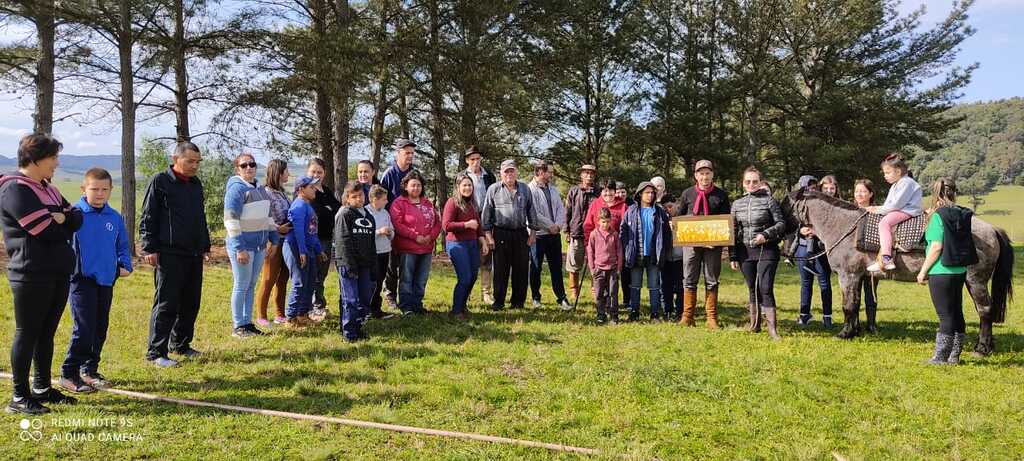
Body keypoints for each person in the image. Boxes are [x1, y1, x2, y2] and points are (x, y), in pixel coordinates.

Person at [1, 133, 83, 414]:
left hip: (57, 271)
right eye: (53, 158)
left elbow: (77, 216)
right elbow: (45, 231)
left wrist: (63, 218)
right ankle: (19, 397)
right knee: (28, 333)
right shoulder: (15, 189)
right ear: (35, 159)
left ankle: (41, 387)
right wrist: (61, 219)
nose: (57, 163)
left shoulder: (46, 187)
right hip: (31, 274)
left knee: (46, 333)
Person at [58, 168, 132, 394]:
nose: (99, 194)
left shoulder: (114, 217)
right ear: (83, 189)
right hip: (81, 280)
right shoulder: (75, 215)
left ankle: (89, 370)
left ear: (110, 190)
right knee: (84, 326)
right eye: (94, 189)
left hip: (106, 279)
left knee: (100, 327)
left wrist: (124, 265)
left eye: (104, 189)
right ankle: (68, 373)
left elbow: (122, 245)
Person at [140, 141, 211, 368]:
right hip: (168, 253)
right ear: (175, 159)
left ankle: (180, 344)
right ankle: (156, 352)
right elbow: (148, 217)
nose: (194, 166)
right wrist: (149, 247)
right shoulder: (160, 181)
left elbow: (200, 218)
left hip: (193, 253)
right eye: (190, 161)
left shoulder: (195, 184)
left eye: (197, 162)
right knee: (167, 303)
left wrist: (204, 245)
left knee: (191, 302)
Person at [917, 179, 976, 365]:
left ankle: (940, 357)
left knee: (945, 315)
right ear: (954, 192)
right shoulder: (960, 213)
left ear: (935, 193)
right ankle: (954, 356)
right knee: (957, 312)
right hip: (959, 270)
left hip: (941, 270)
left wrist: (923, 271)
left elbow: (936, 247)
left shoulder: (937, 216)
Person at [224, 153, 281, 338]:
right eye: (244, 165)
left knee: (251, 285)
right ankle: (238, 325)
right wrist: (239, 248)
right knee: (241, 285)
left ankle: (248, 324)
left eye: (252, 164)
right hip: (243, 246)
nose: (248, 167)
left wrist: (274, 238)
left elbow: (267, 216)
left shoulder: (260, 188)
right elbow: (231, 220)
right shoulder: (236, 189)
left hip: (259, 246)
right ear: (237, 169)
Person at [729, 167, 785, 339]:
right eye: (748, 181)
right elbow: (732, 231)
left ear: (760, 182)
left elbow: (781, 224)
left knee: (765, 288)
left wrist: (765, 235)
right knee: (752, 287)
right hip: (744, 251)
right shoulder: (736, 204)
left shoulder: (770, 201)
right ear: (743, 184)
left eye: (755, 181)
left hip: (766, 250)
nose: (751, 184)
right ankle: (754, 325)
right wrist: (732, 255)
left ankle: (772, 329)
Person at [674, 159, 731, 329]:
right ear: (696, 176)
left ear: (712, 174)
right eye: (701, 173)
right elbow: (679, 215)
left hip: (713, 246)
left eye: (707, 173)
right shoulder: (687, 194)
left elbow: (726, 222)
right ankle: (687, 316)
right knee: (689, 278)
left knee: (711, 280)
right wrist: (674, 223)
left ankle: (711, 317)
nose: (704, 177)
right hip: (691, 245)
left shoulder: (721, 195)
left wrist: (715, 238)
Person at [481, 159, 541, 310]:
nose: (509, 174)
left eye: (512, 170)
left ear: (516, 172)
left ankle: (518, 302)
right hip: (500, 233)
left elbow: (531, 211)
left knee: (521, 269)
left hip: (521, 233)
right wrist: (488, 236)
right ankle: (499, 302)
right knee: (500, 270)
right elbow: (486, 214)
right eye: (506, 171)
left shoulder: (525, 189)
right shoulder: (493, 189)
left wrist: (533, 233)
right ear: (501, 173)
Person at [390, 170, 441, 315]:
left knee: (421, 279)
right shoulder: (399, 203)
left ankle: (417, 304)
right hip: (408, 248)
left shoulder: (427, 203)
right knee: (406, 278)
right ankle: (406, 306)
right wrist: (415, 236)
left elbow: (438, 222)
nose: (416, 188)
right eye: (413, 185)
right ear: (405, 186)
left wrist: (431, 237)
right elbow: (397, 224)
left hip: (426, 247)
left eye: (418, 185)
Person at [620, 181, 672, 321]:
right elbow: (623, 231)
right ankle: (634, 312)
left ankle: (654, 313)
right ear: (640, 194)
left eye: (652, 193)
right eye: (647, 192)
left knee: (654, 285)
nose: (650, 195)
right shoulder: (631, 210)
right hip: (636, 254)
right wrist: (627, 248)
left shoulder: (659, 211)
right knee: (635, 284)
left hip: (654, 254)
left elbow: (667, 233)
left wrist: (665, 250)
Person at [333, 181, 377, 342]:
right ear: (347, 198)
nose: (359, 199)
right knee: (350, 299)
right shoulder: (345, 214)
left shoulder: (368, 216)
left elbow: (372, 242)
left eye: (361, 195)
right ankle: (348, 332)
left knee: (364, 298)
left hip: (365, 264)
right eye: (354, 196)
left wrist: (373, 264)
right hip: (348, 264)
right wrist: (348, 264)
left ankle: (358, 328)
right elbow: (342, 240)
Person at [443, 173, 490, 320]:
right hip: (457, 245)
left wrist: (483, 241)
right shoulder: (452, 202)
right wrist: (466, 225)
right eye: (464, 185)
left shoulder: (472, 203)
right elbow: (446, 225)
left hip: (472, 244)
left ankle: (462, 306)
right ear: (458, 187)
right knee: (464, 278)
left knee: (473, 277)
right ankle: (456, 311)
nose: (467, 187)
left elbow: (478, 225)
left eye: (470, 185)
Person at [866, 153, 923, 272]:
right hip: (901, 209)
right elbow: (888, 204)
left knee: (884, 224)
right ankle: (880, 259)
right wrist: (878, 209)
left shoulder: (906, 183)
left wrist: (878, 209)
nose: (885, 176)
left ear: (897, 172)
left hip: (907, 210)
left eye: (887, 173)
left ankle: (886, 258)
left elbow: (896, 205)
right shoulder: (896, 185)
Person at [284, 176, 327, 327]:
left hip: (307, 249)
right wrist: (302, 251)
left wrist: (319, 250)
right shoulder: (298, 206)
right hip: (295, 247)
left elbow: (311, 232)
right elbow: (298, 232)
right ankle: (290, 318)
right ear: (301, 190)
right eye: (311, 187)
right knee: (299, 282)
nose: (314, 190)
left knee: (309, 281)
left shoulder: (308, 206)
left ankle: (302, 314)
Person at [380, 139, 417, 309]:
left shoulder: (414, 173)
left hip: (410, 226)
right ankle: (390, 295)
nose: (409, 156)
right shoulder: (389, 174)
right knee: (391, 263)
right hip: (392, 225)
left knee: (407, 264)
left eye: (411, 153)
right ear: (398, 153)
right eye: (406, 153)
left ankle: (407, 296)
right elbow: (382, 200)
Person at [255, 159, 293, 327]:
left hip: (286, 240)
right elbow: (262, 218)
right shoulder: (265, 193)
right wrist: (278, 228)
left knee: (283, 278)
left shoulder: (282, 192)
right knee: (269, 278)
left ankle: (280, 313)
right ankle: (261, 315)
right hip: (273, 241)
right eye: (286, 171)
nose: (288, 174)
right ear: (278, 172)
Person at [528, 162, 570, 310]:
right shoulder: (530, 189)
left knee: (556, 268)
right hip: (538, 235)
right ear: (540, 172)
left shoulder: (553, 189)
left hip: (554, 235)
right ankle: (535, 298)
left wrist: (558, 225)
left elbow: (560, 209)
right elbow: (533, 213)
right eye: (549, 172)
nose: (552, 175)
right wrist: (549, 225)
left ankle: (562, 298)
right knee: (536, 267)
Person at [792, 174, 833, 328]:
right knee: (805, 283)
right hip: (803, 247)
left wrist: (817, 232)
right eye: (808, 188)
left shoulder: (823, 204)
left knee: (824, 283)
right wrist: (801, 229)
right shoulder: (796, 204)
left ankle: (827, 316)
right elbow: (791, 224)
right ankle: (804, 315)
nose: (811, 190)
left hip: (821, 249)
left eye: (814, 188)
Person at [305, 158, 341, 321]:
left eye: (320, 172)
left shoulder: (326, 190)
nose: (316, 175)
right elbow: (318, 213)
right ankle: (312, 305)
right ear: (308, 172)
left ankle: (319, 302)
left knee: (323, 272)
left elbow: (337, 209)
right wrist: (327, 210)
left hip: (327, 237)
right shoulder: (306, 190)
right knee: (314, 273)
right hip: (312, 239)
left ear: (325, 173)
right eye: (313, 171)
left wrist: (328, 210)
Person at [464, 145, 497, 305]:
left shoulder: (488, 175)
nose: (476, 162)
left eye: (478, 159)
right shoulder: (462, 176)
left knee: (486, 258)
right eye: (472, 159)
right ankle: (467, 292)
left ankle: (486, 293)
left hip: (486, 221)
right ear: (467, 161)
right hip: (469, 221)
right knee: (469, 259)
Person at [564, 164, 598, 303]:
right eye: (586, 173)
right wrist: (566, 230)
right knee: (574, 264)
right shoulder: (574, 191)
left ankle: (595, 291)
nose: (589, 175)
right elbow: (567, 211)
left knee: (595, 265)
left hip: (595, 234)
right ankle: (574, 291)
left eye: (591, 173)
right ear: (581, 175)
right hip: (576, 232)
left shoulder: (599, 192)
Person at [587, 208, 622, 324]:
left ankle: (614, 315)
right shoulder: (594, 234)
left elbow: (619, 252)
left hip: (612, 269)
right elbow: (590, 252)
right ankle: (601, 314)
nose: (605, 224)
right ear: (598, 221)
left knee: (613, 292)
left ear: (610, 221)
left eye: (607, 221)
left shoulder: (615, 234)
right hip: (598, 269)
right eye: (603, 222)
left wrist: (618, 268)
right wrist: (592, 269)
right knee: (599, 293)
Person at [365, 185, 395, 319]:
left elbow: (392, 229)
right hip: (372, 253)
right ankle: (366, 309)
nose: (386, 201)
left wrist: (390, 233)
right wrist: (378, 232)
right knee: (372, 282)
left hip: (385, 251)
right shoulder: (365, 212)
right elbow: (364, 234)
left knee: (380, 280)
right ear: (374, 199)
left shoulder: (385, 213)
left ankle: (376, 309)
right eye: (384, 199)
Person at [853, 179, 879, 321]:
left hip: (870, 259)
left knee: (871, 292)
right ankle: (854, 321)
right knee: (853, 292)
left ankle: (871, 323)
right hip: (852, 261)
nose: (859, 194)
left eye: (863, 191)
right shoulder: (849, 213)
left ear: (871, 194)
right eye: (857, 191)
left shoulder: (877, 212)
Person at [659, 193, 685, 322]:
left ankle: (680, 310)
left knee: (680, 286)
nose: (668, 210)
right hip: (666, 258)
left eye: (670, 207)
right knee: (666, 285)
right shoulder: (661, 220)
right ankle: (667, 310)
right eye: (665, 208)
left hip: (680, 258)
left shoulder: (683, 219)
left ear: (676, 204)